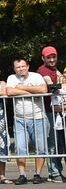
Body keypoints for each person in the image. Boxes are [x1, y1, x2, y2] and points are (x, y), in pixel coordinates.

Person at [5, 57, 50, 184]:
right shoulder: (11, 78)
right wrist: (31, 93)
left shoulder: (36, 76)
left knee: (40, 147)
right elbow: (9, 91)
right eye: (18, 67)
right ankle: (22, 174)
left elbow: (43, 89)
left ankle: (38, 174)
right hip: (19, 118)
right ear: (14, 69)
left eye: (23, 66)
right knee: (20, 147)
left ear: (28, 66)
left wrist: (22, 88)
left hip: (38, 117)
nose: (21, 69)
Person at [36, 46, 65, 181]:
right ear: (43, 58)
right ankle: (54, 173)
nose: (52, 59)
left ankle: (57, 170)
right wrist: (56, 84)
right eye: (49, 57)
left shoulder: (56, 70)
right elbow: (50, 85)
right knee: (52, 142)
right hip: (48, 111)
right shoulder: (43, 70)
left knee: (60, 142)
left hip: (59, 111)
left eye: (54, 57)